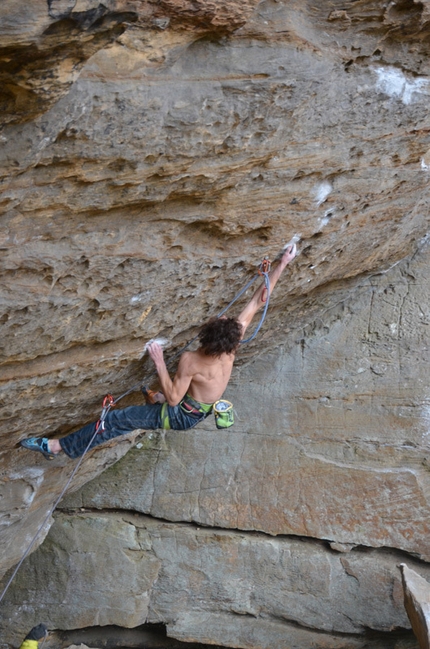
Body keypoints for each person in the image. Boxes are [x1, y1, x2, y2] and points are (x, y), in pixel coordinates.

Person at [21, 245, 296, 460]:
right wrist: (282, 264)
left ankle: (58, 447)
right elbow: (259, 300)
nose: (224, 317)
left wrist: (159, 361)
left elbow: (175, 400)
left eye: (220, 320)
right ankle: (153, 400)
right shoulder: (231, 345)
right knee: (155, 400)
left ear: (208, 336)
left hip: (180, 414)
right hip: (197, 410)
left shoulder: (192, 360)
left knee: (117, 419)